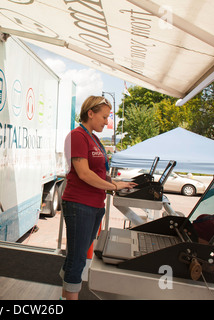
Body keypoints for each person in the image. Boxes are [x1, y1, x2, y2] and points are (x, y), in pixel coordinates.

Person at [60, 96, 137, 300]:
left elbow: (98, 172)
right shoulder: (77, 136)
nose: (106, 122)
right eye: (104, 117)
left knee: (77, 254)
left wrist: (120, 183)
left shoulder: (93, 138)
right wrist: (113, 186)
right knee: (78, 258)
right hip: (79, 204)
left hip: (94, 205)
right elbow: (84, 173)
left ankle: (63, 295)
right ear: (90, 113)